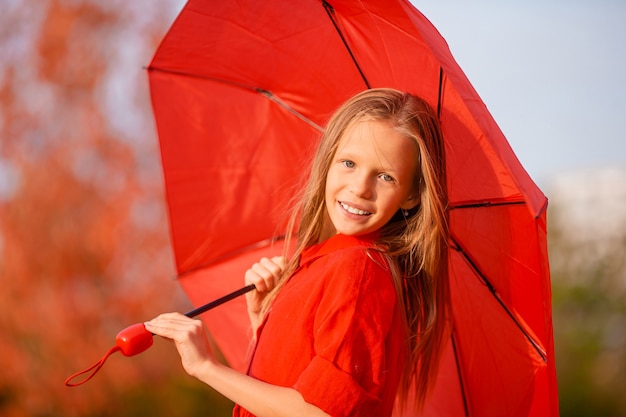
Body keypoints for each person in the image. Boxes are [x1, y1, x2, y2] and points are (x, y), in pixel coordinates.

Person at [145, 88, 450, 417]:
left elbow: (320, 412)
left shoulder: (358, 269)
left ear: (411, 196)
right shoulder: (324, 263)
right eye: (349, 163)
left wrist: (206, 367)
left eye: (386, 176)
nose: (361, 187)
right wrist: (264, 318)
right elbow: (285, 389)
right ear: (328, 161)